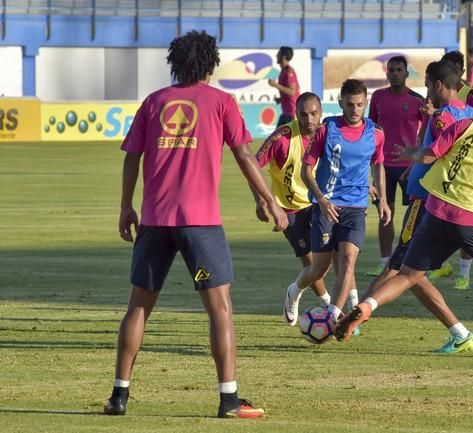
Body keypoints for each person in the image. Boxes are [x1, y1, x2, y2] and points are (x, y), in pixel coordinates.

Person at [104, 30, 288, 419]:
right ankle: (228, 399)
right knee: (220, 309)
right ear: (211, 62)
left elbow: (130, 158)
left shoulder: (154, 102)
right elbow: (243, 154)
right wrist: (269, 200)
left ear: (176, 63)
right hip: (200, 223)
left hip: (154, 220)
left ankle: (119, 395)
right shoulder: (221, 102)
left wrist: (125, 206)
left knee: (137, 307)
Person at [337, 84, 473, 359]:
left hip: (435, 209)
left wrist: (410, 154)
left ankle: (367, 306)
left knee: (408, 275)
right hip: (471, 217)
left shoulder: (465, 124)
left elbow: (430, 154)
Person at [362, 60, 473, 354]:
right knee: (410, 271)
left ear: (438, 84)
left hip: (424, 199)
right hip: (446, 199)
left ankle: (356, 313)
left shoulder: (441, 117)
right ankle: (358, 312)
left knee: (403, 268)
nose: (426, 90)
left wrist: (415, 157)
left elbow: (438, 154)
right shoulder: (471, 114)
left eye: (428, 84)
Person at [283, 79, 391, 325]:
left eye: (360, 105)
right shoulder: (326, 130)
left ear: (366, 104)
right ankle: (295, 291)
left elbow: (378, 164)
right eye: (350, 104)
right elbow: (306, 171)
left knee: (348, 259)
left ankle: (333, 316)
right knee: (318, 269)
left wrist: (383, 199)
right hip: (326, 207)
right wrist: (321, 200)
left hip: (356, 206)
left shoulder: (375, 134)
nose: (355, 110)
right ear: (341, 102)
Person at [253, 92, 332, 309]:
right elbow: (252, 165)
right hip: (289, 210)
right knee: (311, 264)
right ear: (296, 114)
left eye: (314, 114)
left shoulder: (327, 133)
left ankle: (336, 304)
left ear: (321, 113)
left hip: (317, 204)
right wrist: (260, 200)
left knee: (334, 256)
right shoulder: (282, 138)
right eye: (304, 115)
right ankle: (327, 306)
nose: (309, 120)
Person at [365, 55, 427, 277]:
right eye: (391, 70)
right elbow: (370, 128)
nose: (394, 73)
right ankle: (384, 261)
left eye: (399, 70)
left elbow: (428, 129)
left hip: (410, 168)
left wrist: (418, 156)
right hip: (383, 165)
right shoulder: (378, 97)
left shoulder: (417, 100)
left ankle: (413, 262)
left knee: (415, 218)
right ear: (387, 73)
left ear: (406, 73)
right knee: (384, 213)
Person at [428, 50, 473, 290]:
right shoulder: (437, 95)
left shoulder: (470, 96)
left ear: (460, 71)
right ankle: (441, 264)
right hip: (440, 165)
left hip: (464, 165)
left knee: (464, 223)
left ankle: (464, 273)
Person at [268, 46, 300, 127]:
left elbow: (292, 92)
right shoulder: (283, 71)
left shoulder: (289, 72)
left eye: (278, 53)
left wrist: (276, 85)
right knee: (276, 138)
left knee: (283, 138)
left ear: (284, 56)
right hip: (286, 113)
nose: (276, 55)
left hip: (292, 114)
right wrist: (281, 99)